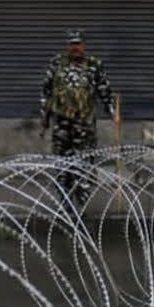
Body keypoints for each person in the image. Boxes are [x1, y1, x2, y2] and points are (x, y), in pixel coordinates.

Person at [40, 29, 114, 205]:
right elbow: (47, 92)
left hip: (85, 125)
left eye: (78, 44)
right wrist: (44, 118)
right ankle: (64, 203)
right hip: (62, 125)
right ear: (68, 46)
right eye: (72, 44)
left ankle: (81, 206)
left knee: (84, 165)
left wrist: (111, 112)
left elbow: (104, 90)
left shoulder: (94, 65)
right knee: (62, 165)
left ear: (84, 45)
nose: (75, 48)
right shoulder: (56, 63)